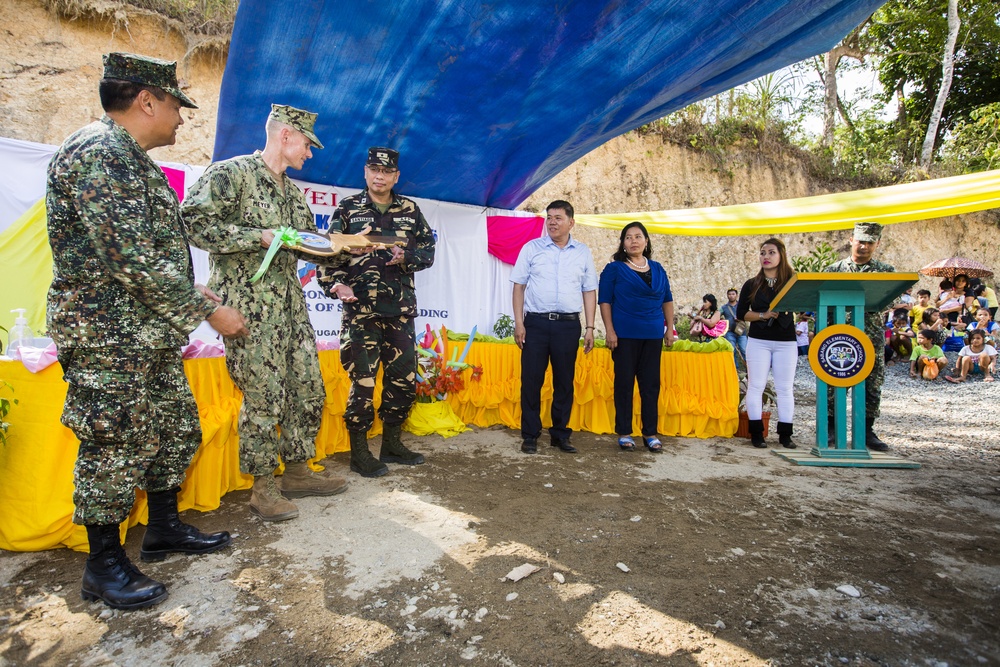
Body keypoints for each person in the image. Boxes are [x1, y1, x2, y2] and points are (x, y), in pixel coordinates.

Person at [46, 53, 249, 610]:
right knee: (113, 446)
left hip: (148, 333)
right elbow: (126, 257)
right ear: (147, 101)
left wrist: (196, 293)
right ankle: (103, 566)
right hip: (108, 334)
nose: (182, 119)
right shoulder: (98, 151)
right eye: (177, 106)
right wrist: (209, 313)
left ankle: (163, 528)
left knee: (173, 428)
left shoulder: (134, 161)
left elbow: (151, 256)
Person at [182, 104, 348, 521]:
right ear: (287, 135)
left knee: (307, 385)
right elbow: (193, 224)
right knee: (263, 395)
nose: (310, 153)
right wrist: (259, 235)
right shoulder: (230, 174)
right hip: (248, 309)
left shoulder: (292, 193)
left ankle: (296, 471)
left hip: (291, 308)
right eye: (308, 144)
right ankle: (263, 488)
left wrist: (344, 248)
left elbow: (308, 244)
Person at [316, 147, 436, 477]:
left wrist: (407, 258)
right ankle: (359, 453)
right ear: (366, 172)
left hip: (398, 311)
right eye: (374, 169)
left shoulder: (411, 211)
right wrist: (336, 286)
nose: (379, 176)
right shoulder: (348, 209)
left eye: (387, 171)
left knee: (403, 380)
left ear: (396, 176)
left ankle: (392, 444)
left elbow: (428, 251)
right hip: (361, 313)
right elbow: (329, 256)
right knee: (364, 382)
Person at [511, 200, 598, 454]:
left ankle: (560, 435)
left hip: (568, 326)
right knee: (531, 381)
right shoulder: (532, 248)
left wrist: (590, 327)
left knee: (564, 382)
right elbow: (518, 286)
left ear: (571, 222)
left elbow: (589, 290)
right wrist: (519, 322)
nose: (552, 222)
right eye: (549, 217)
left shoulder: (582, 252)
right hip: (535, 325)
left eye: (558, 217)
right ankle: (530, 435)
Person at [598, 222, 675, 452]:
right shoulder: (614, 269)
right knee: (624, 384)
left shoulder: (658, 268)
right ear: (623, 243)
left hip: (652, 335)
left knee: (651, 385)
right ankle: (624, 432)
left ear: (646, 241)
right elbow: (605, 301)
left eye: (638, 236)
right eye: (628, 237)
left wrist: (669, 328)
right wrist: (610, 330)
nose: (633, 241)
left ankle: (650, 433)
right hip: (624, 336)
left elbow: (667, 300)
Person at [822, 222, 895, 452]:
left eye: (870, 242)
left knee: (872, 382)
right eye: (860, 241)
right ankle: (832, 427)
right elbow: (823, 302)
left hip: (870, 335)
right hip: (839, 335)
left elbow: (890, 300)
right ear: (851, 239)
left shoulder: (885, 271)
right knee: (835, 378)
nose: (864, 246)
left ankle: (866, 430)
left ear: (877, 244)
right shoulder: (833, 270)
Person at [736, 238, 797, 450]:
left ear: (781, 255)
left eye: (771, 252)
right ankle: (756, 433)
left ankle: (785, 434)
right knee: (755, 385)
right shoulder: (752, 284)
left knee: (785, 388)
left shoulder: (792, 282)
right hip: (758, 341)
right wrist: (763, 315)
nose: (766, 257)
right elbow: (741, 313)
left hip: (786, 342)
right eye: (763, 253)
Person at [721, 288, 748, 367]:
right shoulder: (724, 308)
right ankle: (736, 371)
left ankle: (749, 370)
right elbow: (717, 317)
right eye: (729, 294)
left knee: (744, 350)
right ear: (727, 296)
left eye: (733, 294)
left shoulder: (742, 306)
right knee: (732, 351)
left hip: (741, 332)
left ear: (737, 295)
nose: (731, 296)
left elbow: (748, 315)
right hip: (730, 333)